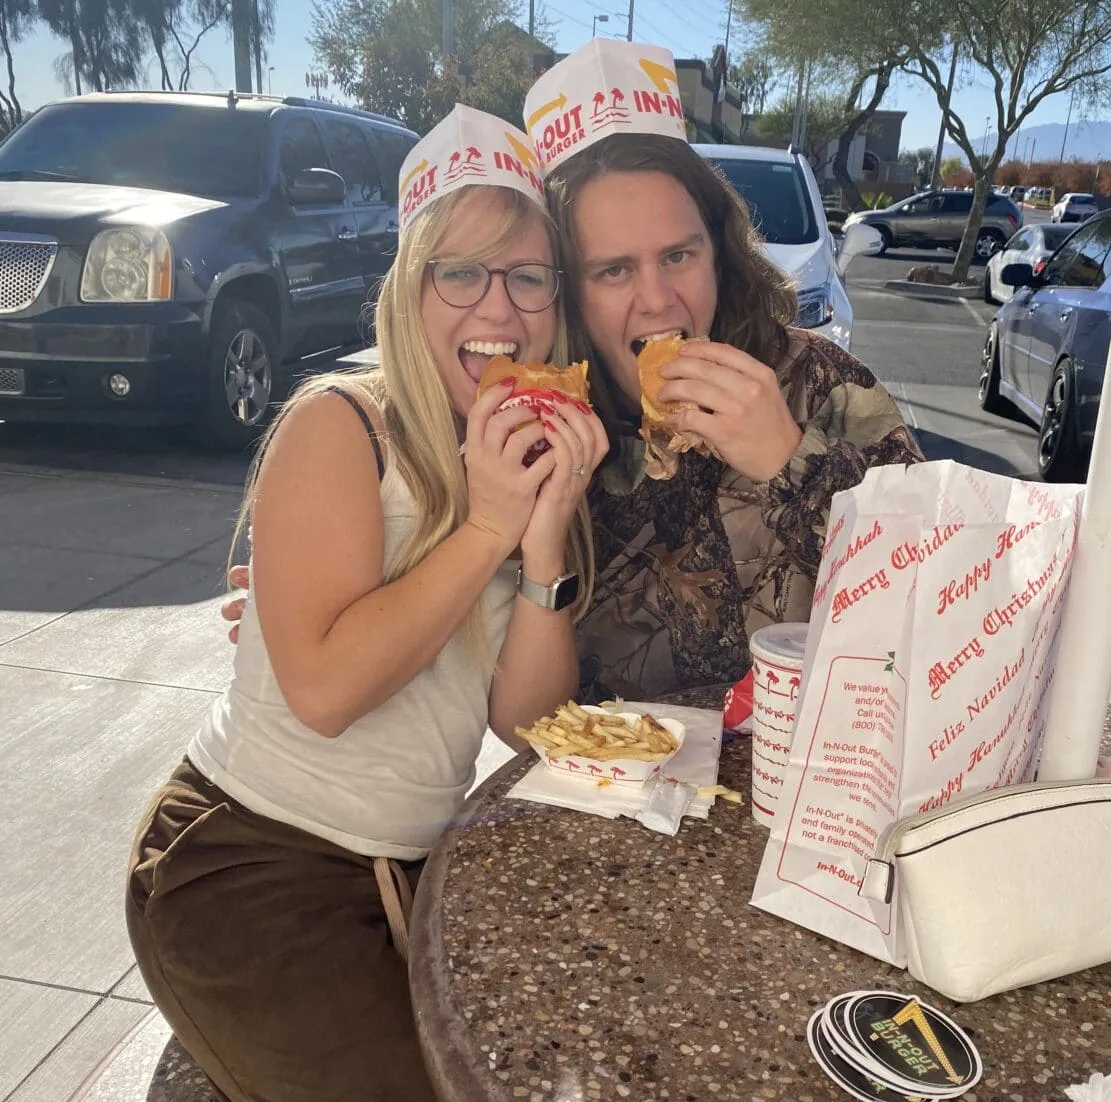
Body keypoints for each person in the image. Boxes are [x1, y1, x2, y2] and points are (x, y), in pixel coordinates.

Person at [126, 105, 607, 1102]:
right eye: (462, 270)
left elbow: (524, 721)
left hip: (388, 887)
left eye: (527, 277)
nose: (496, 307)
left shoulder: (504, 456)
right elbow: (327, 686)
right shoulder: (338, 426)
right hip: (239, 872)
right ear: (411, 287)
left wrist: (546, 539)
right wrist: (487, 524)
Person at [225, 40, 921, 701]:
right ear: (569, 291)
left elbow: (947, 609)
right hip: (614, 802)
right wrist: (295, 590)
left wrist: (792, 465)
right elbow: (480, 646)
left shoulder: (818, 383)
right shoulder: (538, 438)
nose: (657, 300)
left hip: (826, 782)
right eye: (614, 269)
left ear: (719, 252)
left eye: (679, 255)